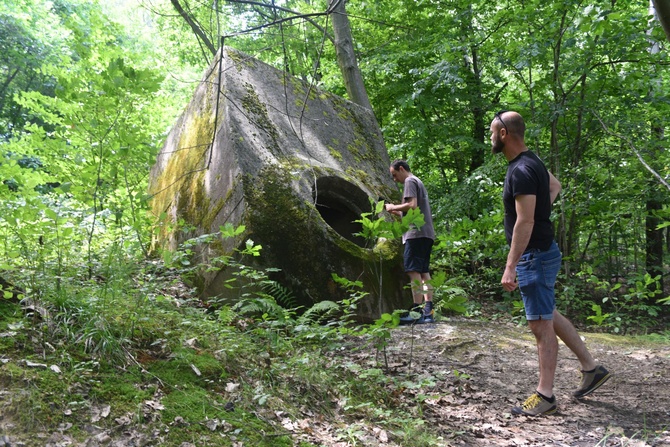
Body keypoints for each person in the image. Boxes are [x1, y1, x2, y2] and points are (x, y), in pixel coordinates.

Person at [490, 110, 611, 416]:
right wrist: (540, 213)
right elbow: (553, 188)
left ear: (504, 133)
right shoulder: (534, 163)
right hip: (544, 251)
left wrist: (510, 265)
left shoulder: (519, 170)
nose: (490, 137)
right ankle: (591, 368)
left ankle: (545, 396)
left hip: (534, 255)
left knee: (540, 325)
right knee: (548, 314)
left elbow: (524, 221)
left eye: (492, 132)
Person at [385, 159, 436, 324]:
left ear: (401, 169)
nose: (395, 179)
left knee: (413, 271)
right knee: (423, 272)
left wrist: (393, 207)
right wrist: (395, 211)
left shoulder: (409, 181)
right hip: (426, 233)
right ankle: (429, 311)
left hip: (415, 234)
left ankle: (416, 311)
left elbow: (411, 205)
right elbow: (411, 211)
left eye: (394, 175)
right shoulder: (418, 181)